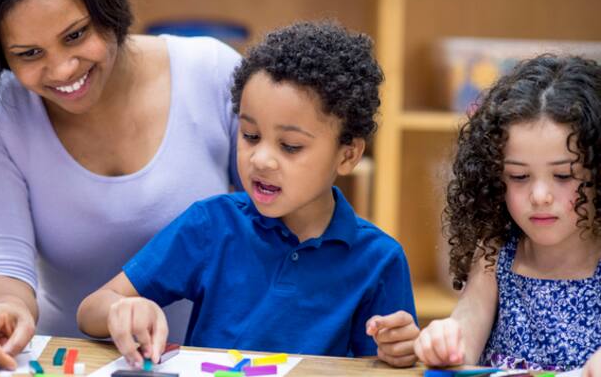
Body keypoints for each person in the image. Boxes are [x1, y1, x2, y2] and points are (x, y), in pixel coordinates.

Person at [0, 0, 242, 368]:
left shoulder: (211, 72)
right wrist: (3, 314)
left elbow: (285, 218)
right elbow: (2, 261)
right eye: (29, 54)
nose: (64, 69)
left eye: (76, 35)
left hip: (218, 359)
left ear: (110, 4)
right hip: (65, 361)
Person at [76, 22, 418, 368]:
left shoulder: (380, 260)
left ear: (347, 155)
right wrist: (122, 309)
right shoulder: (211, 224)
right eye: (250, 135)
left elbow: (383, 366)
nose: (261, 159)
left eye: (290, 146)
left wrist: (398, 352)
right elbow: (91, 309)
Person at [407, 55, 601, 372]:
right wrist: (447, 340)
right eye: (519, 177)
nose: (540, 196)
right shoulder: (495, 251)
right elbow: (467, 325)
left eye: (564, 176)